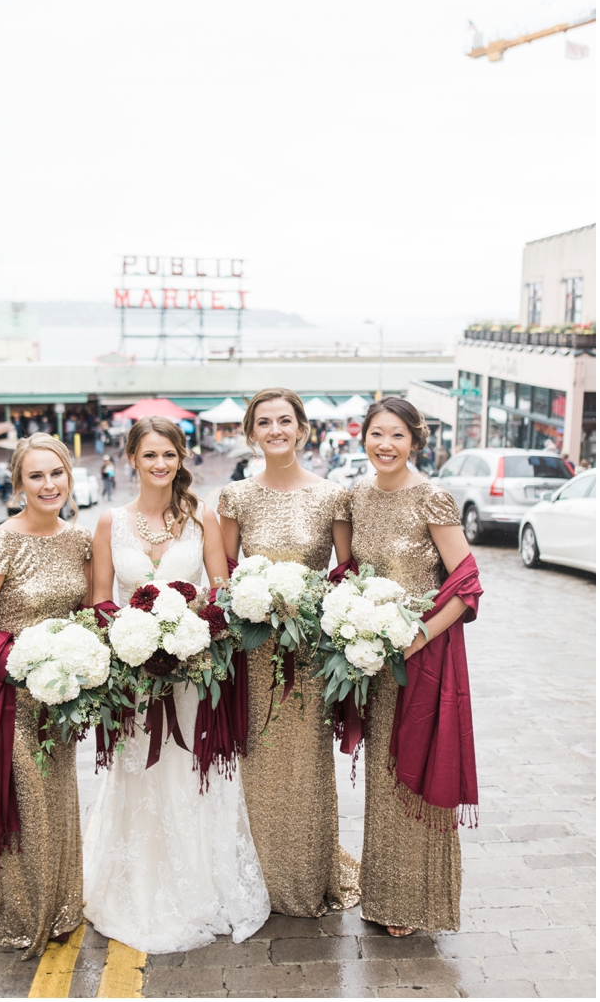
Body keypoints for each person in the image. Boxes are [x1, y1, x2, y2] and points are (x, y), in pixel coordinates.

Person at [81, 418, 270, 953]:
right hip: (138, 677)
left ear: (181, 458)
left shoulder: (201, 517)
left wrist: (194, 634)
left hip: (191, 676)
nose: (160, 465)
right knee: (142, 774)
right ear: (131, 460)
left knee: (191, 775)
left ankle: (200, 884)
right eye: (149, 456)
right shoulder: (109, 523)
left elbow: (220, 591)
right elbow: (99, 598)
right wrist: (129, 635)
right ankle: (138, 887)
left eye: (169, 455)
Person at [217, 388, 359, 919]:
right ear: (251, 432)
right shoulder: (236, 498)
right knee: (260, 764)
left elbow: (345, 574)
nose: (275, 430)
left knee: (306, 767)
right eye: (264, 422)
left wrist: (315, 606)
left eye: (285, 421)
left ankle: (306, 874)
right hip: (256, 657)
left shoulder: (332, 496)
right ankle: (260, 876)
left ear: (302, 429)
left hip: (310, 653)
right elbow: (223, 576)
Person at [0, 434, 91, 959]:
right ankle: (20, 909)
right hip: (14, 698)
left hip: (64, 698)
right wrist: (30, 660)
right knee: (25, 806)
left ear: (69, 477)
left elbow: (87, 615)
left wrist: (76, 659)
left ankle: (61, 904)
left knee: (59, 800)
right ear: (18, 483)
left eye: (56, 473)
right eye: (36, 476)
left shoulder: (79, 542)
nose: (48, 484)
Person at [349, 398, 477, 937]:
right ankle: (382, 894)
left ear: (415, 440)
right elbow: (352, 572)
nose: (385, 445)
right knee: (382, 773)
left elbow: (467, 583)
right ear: (364, 439)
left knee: (414, 771)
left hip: (421, 659)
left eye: (397, 435)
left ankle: (415, 901)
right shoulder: (358, 496)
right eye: (377, 434)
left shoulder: (433, 498)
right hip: (370, 659)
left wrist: (417, 635)